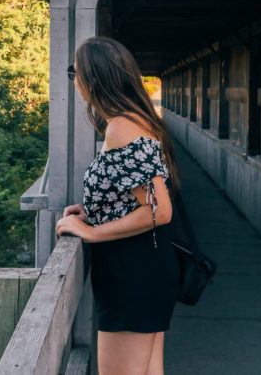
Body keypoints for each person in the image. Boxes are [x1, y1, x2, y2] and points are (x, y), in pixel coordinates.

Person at [55, 36, 180, 375]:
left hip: (133, 272)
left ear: (94, 78)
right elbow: (135, 195)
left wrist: (92, 232)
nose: (75, 81)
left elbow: (159, 210)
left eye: (74, 72)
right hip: (144, 268)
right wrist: (96, 210)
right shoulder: (137, 120)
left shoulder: (122, 127)